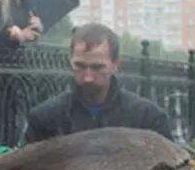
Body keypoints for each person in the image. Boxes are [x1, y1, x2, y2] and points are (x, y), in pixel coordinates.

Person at [25, 23, 171, 143]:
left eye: (97, 67)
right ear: (70, 60)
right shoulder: (44, 119)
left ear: (116, 64)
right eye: (80, 66)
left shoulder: (148, 119)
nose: (88, 77)